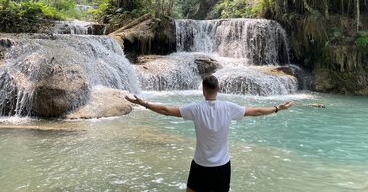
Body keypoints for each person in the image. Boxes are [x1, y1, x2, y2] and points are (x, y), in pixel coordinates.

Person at [125, 74, 294, 192]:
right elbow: (256, 111)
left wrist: (143, 103)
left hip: (200, 165)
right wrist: (278, 108)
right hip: (222, 166)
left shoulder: (195, 109)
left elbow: (166, 110)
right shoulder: (229, 108)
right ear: (218, 89)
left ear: (203, 90)